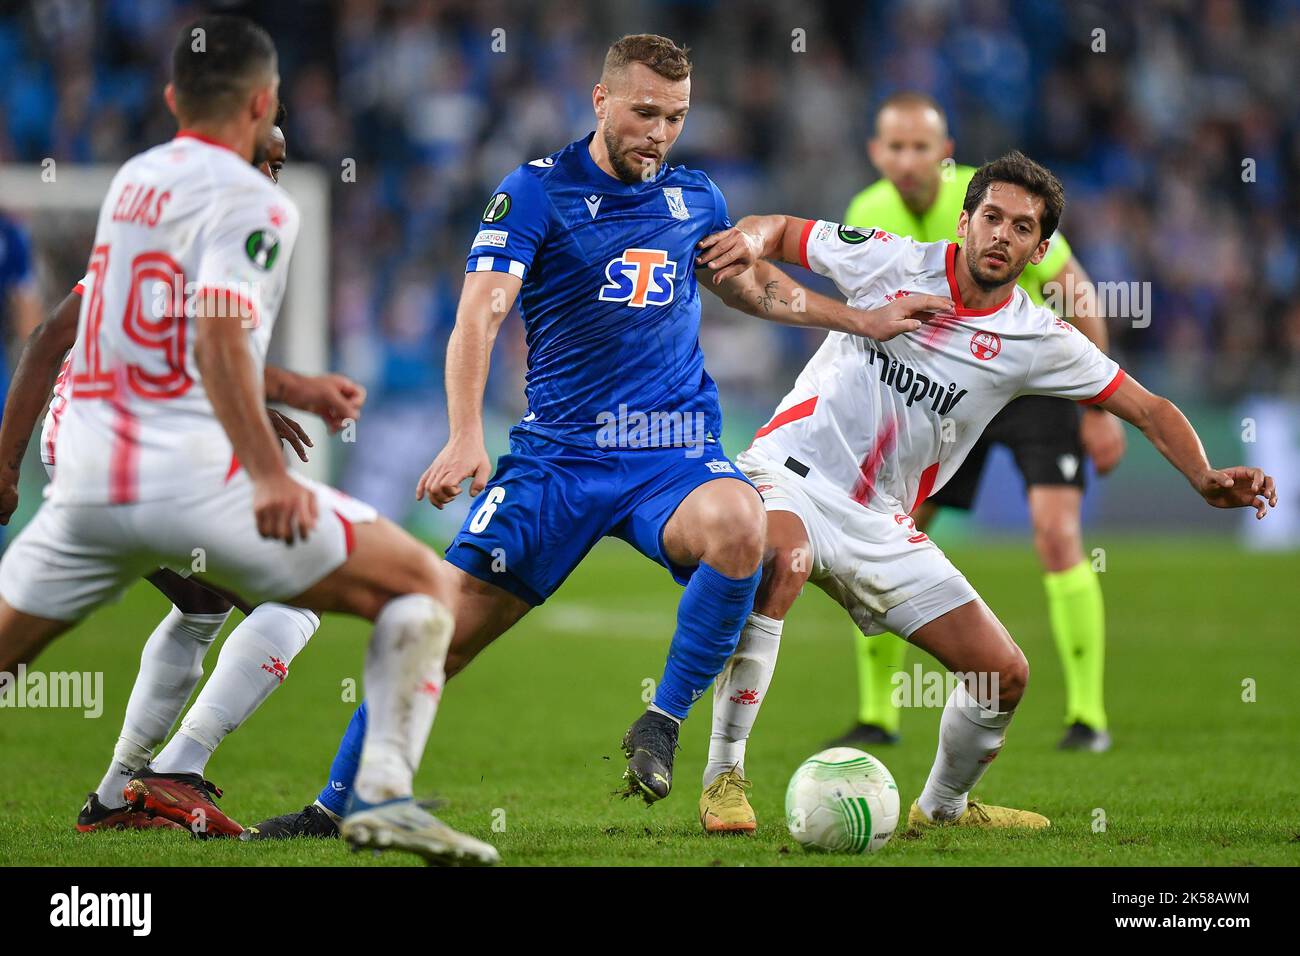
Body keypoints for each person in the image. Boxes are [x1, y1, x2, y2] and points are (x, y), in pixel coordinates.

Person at [247, 33, 947, 840]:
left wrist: (858, 317)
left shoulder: (695, 198)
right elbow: (480, 313)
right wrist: (466, 434)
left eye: (675, 117)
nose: (659, 132)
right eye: (645, 112)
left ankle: (662, 720)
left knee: (741, 528)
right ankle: (336, 806)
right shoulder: (535, 192)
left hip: (673, 450)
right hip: (558, 458)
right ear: (601, 101)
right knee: (436, 628)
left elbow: (751, 285)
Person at [0, 14, 495, 865]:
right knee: (415, 583)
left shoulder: (136, 185)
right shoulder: (254, 202)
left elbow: (64, 328)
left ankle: (128, 788)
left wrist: (7, 464)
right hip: (181, 476)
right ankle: (378, 797)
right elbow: (218, 337)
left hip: (82, 473)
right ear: (264, 100)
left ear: (170, 98)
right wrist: (267, 475)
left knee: (188, 606)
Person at [690, 150, 1275, 834]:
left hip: (881, 521)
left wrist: (1204, 477)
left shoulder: (1036, 337)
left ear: (1040, 249)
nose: (1003, 235)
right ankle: (723, 777)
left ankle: (941, 811)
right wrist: (749, 239)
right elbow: (782, 231)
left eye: (1022, 228)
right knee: (779, 559)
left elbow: (1147, 407)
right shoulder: (892, 260)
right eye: (992, 218)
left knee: (1004, 674)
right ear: (965, 221)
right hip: (791, 473)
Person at [0, 104, 365, 837]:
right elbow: (48, 338)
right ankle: (175, 770)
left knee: (201, 605)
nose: (272, 179)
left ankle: (112, 799)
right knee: (294, 599)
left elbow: (152, 346)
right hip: (119, 449)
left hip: (96, 441)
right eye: (264, 161)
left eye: (280, 167)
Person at [835, 92, 1126, 752]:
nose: (909, 160)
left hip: (1027, 380)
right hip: (946, 389)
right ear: (876, 153)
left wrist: (1099, 408)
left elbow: (1075, 290)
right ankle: (878, 715)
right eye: (895, 147)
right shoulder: (865, 211)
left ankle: (1088, 716)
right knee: (894, 534)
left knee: (1056, 534)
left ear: (946, 155)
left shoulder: (995, 199)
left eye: (922, 147)